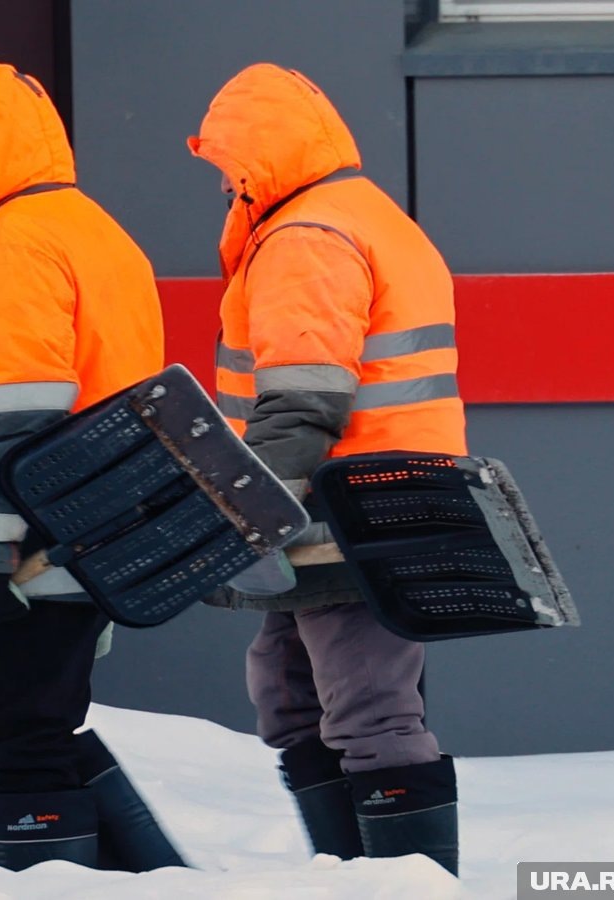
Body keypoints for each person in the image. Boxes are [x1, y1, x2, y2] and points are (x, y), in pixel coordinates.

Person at [0, 60, 185, 873]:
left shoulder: (6, 248)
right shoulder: (92, 231)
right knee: (45, 721)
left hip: (33, 547)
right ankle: (149, 882)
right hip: (91, 532)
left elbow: (17, 419)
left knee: (15, 732)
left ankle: (50, 876)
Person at [186, 63, 465, 876]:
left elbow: (303, 399)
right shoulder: (363, 215)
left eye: (230, 166)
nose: (225, 185)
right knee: (291, 694)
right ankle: (348, 877)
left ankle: (406, 886)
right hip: (363, 504)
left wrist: (246, 513)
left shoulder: (305, 236)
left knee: (369, 712)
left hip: (348, 510)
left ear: (260, 157)